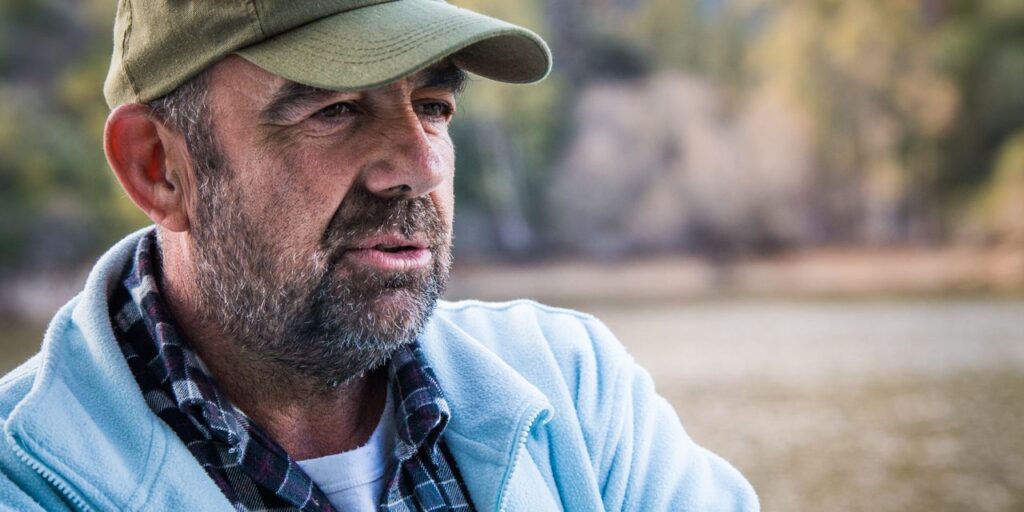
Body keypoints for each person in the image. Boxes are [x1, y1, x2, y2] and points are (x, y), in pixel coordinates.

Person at [0, 1, 758, 510]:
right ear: (159, 167)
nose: (422, 166)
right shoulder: (25, 480)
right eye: (334, 109)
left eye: (432, 107)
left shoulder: (576, 390)